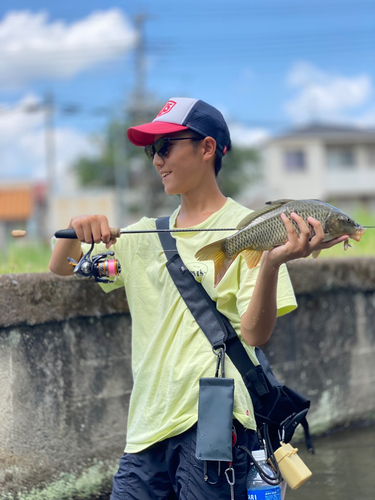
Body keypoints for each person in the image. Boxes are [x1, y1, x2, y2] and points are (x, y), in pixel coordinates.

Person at [49, 97, 349, 500]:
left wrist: (274, 263)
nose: (156, 160)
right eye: (151, 150)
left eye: (166, 146)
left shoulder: (259, 228)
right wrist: (76, 228)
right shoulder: (144, 234)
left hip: (215, 421)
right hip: (145, 428)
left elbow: (255, 335)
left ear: (206, 148)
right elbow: (64, 267)